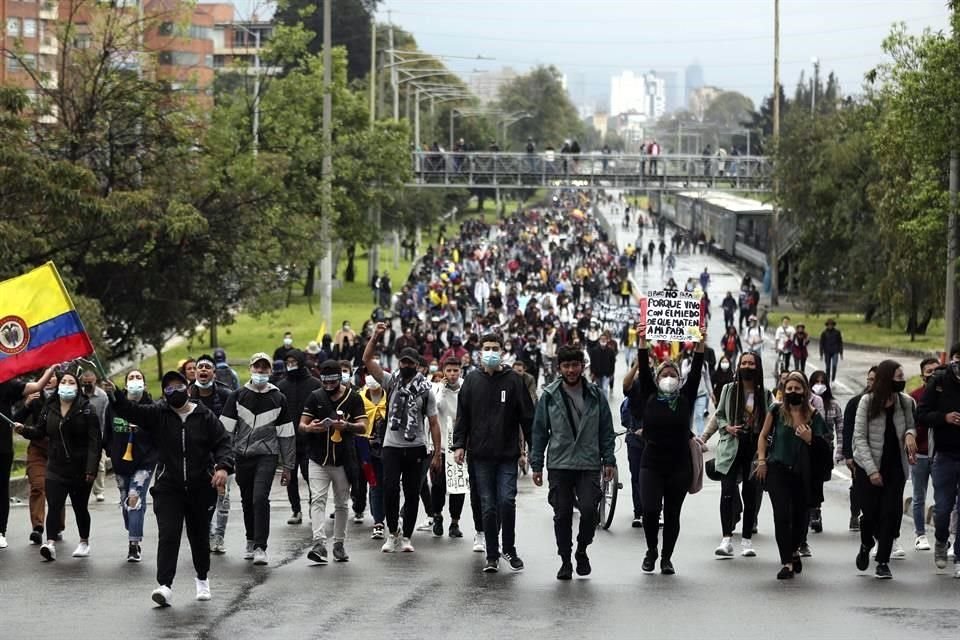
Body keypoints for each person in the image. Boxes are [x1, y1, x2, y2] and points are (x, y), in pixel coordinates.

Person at [106, 370, 232, 606]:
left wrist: (223, 467)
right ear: (164, 393)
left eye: (179, 387)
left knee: (199, 536)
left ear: (188, 388)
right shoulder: (158, 413)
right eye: (169, 389)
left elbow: (223, 442)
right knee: (169, 534)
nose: (175, 392)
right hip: (168, 487)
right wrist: (116, 396)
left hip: (200, 487)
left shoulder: (204, 416)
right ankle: (165, 585)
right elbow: (131, 411)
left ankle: (202, 579)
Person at [531, 344, 616, 580]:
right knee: (562, 515)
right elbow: (539, 433)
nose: (571, 370)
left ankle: (581, 549)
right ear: (559, 367)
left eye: (575, 365)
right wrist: (536, 464)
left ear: (582, 366)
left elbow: (606, 429)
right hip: (559, 463)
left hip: (589, 462)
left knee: (589, 511)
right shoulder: (549, 395)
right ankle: (565, 560)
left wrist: (609, 459)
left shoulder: (596, 394)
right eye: (566, 365)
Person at [628, 322, 706, 576]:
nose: (669, 378)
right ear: (657, 378)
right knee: (651, 510)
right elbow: (642, 359)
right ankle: (651, 550)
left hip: (679, 465)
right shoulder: (650, 395)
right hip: (652, 463)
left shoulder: (686, 398)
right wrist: (642, 340)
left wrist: (700, 341)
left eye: (673, 374)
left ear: (680, 380)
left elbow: (695, 369)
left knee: (673, 514)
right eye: (664, 374)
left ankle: (666, 558)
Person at [453, 332, 534, 573]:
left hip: (507, 455)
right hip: (480, 456)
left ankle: (508, 547)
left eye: (495, 348)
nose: (490, 352)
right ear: (480, 352)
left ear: (501, 351)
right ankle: (492, 554)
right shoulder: (472, 381)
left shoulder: (513, 381)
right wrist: (459, 445)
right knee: (487, 505)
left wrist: (534, 451)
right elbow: (463, 416)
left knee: (507, 501)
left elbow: (527, 417)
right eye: (486, 348)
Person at [363, 327, 443, 554]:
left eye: (410, 363)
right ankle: (392, 533)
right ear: (398, 363)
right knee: (389, 489)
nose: (406, 366)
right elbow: (367, 359)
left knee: (411, 492)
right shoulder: (391, 382)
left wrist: (436, 453)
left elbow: (434, 423)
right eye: (403, 362)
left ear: (418, 366)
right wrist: (376, 337)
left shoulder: (426, 391)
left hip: (416, 447)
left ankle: (407, 536)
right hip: (392, 446)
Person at [14, 369, 100, 561]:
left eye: (71, 383)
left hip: (80, 468)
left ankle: (84, 541)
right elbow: (39, 431)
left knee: (80, 507)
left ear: (77, 388)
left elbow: (95, 442)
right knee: (54, 505)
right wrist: (24, 430)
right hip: (55, 467)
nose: (67, 386)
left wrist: (91, 469)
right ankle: (50, 543)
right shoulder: (50, 408)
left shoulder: (86, 409)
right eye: (64, 382)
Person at [219, 353, 295, 566]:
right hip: (242, 455)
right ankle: (250, 540)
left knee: (260, 497)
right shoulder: (237, 396)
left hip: (267, 455)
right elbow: (224, 431)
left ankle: (261, 546)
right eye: (257, 368)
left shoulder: (278, 398)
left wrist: (288, 466)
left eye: (265, 369)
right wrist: (221, 461)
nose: (261, 372)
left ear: (270, 371)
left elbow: (287, 434)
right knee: (246, 500)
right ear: (251, 369)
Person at [755, 372, 830, 580]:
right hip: (777, 469)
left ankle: (795, 548)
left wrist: (809, 438)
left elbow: (825, 447)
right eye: (789, 389)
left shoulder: (814, 415)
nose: (793, 392)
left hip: (803, 473)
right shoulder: (776, 410)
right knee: (781, 515)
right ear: (784, 390)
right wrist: (762, 460)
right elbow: (763, 435)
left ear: (805, 391)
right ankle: (786, 562)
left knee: (799, 517)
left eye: (797, 389)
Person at [852, 359, 917, 580]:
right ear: (887, 378)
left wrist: (910, 435)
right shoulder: (867, 402)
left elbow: (911, 425)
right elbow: (859, 438)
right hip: (868, 467)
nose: (902, 381)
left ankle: (882, 561)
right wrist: (871, 470)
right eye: (898, 377)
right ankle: (866, 542)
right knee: (869, 514)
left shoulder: (905, 402)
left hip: (895, 467)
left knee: (890, 514)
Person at [300, 360, 367, 564]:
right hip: (318, 457)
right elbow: (302, 424)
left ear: (340, 378)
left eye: (333, 381)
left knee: (341, 503)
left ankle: (339, 543)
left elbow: (363, 426)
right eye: (325, 381)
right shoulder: (316, 396)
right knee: (317, 499)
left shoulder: (353, 398)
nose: (328, 385)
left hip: (343, 459)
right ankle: (319, 543)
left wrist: (346, 425)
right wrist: (310, 428)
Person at [712, 352, 768, 559]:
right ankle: (726, 539)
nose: (747, 366)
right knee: (727, 491)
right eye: (743, 363)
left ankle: (746, 540)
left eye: (751, 363)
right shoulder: (729, 389)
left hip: (753, 448)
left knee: (751, 494)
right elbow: (719, 415)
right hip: (731, 447)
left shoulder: (764, 394)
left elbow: (769, 421)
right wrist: (727, 427)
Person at [103, 369, 158, 562]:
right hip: (121, 462)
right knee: (127, 501)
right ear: (125, 385)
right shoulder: (114, 406)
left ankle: (133, 544)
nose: (135, 381)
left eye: (139, 378)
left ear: (144, 383)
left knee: (135, 497)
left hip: (144, 462)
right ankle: (132, 527)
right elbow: (107, 432)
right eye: (131, 378)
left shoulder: (152, 407)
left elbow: (158, 435)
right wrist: (111, 451)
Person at [1, 365, 55, 549]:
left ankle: (1, 531)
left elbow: (38, 385)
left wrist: (52, 368)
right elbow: (19, 417)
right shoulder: (30, 398)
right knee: (38, 487)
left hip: (4, 448)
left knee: (2, 489)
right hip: (33, 448)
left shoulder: (5, 384)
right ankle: (37, 527)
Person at [918, 343, 960, 575]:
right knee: (943, 509)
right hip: (944, 454)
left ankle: (959, 557)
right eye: (957, 359)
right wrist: (945, 418)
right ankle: (941, 541)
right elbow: (922, 414)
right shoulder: (939, 382)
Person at [189, 355, 234, 554]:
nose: (204, 370)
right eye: (200, 367)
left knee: (222, 497)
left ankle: (219, 537)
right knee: (200, 499)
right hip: (197, 455)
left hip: (222, 454)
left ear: (214, 373)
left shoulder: (226, 395)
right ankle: (204, 536)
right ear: (195, 372)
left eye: (208, 367)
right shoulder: (187, 395)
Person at [276, 349, 322, 527]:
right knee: (291, 476)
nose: (291, 364)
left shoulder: (314, 384)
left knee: (311, 476)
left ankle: (313, 507)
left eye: (294, 361)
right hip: (288, 439)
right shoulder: (281, 386)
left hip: (310, 439)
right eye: (288, 361)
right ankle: (295, 509)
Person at [909, 357, 940, 551]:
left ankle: (942, 537)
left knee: (944, 498)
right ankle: (920, 535)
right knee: (919, 496)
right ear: (922, 376)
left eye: (936, 371)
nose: (933, 375)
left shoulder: (948, 395)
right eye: (929, 372)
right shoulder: (913, 397)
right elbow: (908, 426)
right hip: (919, 453)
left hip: (941, 454)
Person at [843, 367, 877, 531]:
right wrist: (848, 455)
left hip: (879, 453)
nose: (872, 383)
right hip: (859, 454)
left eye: (875, 380)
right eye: (869, 379)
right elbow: (847, 429)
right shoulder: (856, 402)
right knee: (858, 486)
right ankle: (855, 513)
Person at [808, 370, 841, 534]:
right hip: (807, 445)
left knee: (819, 480)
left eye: (822, 382)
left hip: (825, 447)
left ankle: (816, 510)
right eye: (816, 381)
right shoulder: (806, 402)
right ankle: (811, 512)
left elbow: (840, 429)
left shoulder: (833, 405)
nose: (819, 385)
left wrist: (840, 451)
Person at [359, 371, 388, 539]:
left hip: (389, 448)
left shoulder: (390, 397)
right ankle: (378, 521)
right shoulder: (359, 399)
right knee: (374, 484)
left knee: (389, 485)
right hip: (366, 448)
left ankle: (389, 517)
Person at [80, 368, 110, 503]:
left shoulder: (103, 396)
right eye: (84, 382)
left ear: (95, 381)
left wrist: (103, 438)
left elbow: (104, 418)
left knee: (99, 464)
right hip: (80, 434)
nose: (87, 384)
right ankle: (81, 489)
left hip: (97, 435)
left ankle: (99, 491)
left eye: (89, 382)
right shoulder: (77, 394)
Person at [587, 334, 616, 401]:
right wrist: (592, 373)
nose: (603, 340)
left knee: (605, 389)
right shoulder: (594, 351)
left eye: (604, 339)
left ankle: (604, 403)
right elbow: (592, 362)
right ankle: (600, 401)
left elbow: (612, 363)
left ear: (607, 340)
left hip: (607, 374)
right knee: (599, 389)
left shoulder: (610, 351)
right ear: (599, 340)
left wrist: (612, 373)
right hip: (597, 374)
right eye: (601, 339)